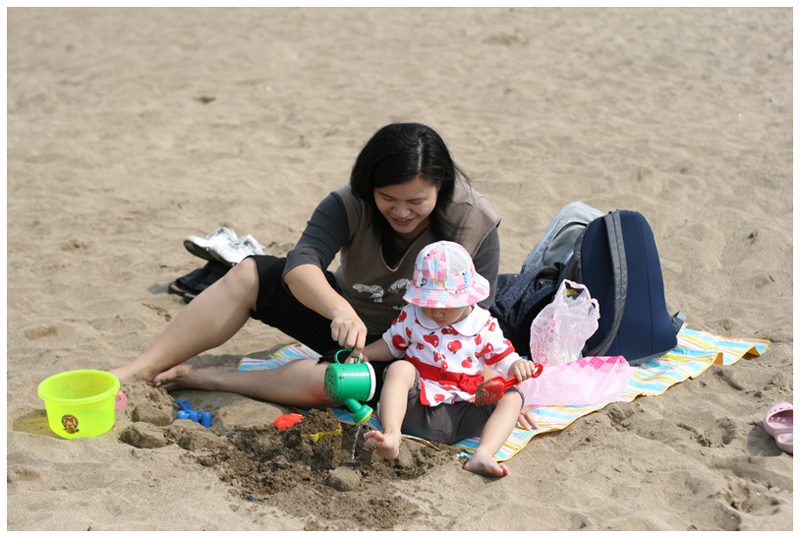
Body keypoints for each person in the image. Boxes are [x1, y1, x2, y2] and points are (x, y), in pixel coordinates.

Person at [110, 122, 541, 428]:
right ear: (369, 187)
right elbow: (302, 264)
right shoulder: (348, 202)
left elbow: (473, 320)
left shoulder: (472, 219)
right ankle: (138, 370)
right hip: (349, 325)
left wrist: (490, 382)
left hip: (413, 354)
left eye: (416, 201)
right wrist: (338, 309)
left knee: (332, 383)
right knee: (250, 273)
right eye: (388, 198)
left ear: (440, 187)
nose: (402, 212)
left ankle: (208, 376)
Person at [353, 241, 539, 477]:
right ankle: (392, 435)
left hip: (466, 411)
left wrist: (517, 364)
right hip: (416, 408)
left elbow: (503, 357)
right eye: (429, 303)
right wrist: (366, 353)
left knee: (513, 397)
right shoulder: (413, 315)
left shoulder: (483, 325)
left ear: (468, 298)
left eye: (447, 304)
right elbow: (392, 345)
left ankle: (483, 454)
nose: (436, 312)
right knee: (399, 368)